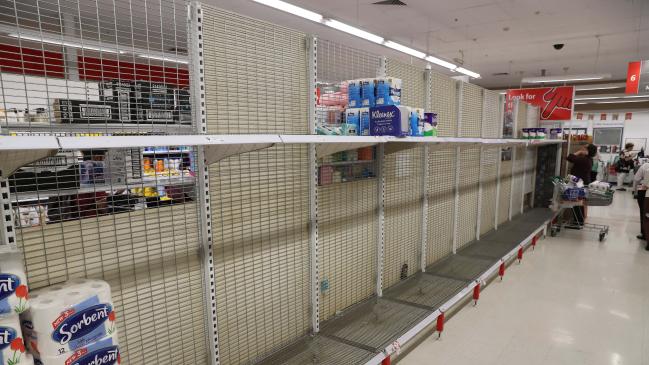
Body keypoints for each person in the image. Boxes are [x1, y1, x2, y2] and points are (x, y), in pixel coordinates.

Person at [567, 144, 598, 226]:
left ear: (588, 151)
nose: (582, 149)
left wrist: (579, 152)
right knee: (579, 203)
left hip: (580, 184)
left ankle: (577, 223)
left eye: (584, 148)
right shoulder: (589, 159)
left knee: (577, 204)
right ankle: (579, 221)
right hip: (582, 183)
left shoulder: (584, 159)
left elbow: (569, 157)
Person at [634, 161, 649, 249]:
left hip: (644, 190)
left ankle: (644, 233)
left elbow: (636, 178)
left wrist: (634, 190)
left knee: (644, 214)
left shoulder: (645, 166)